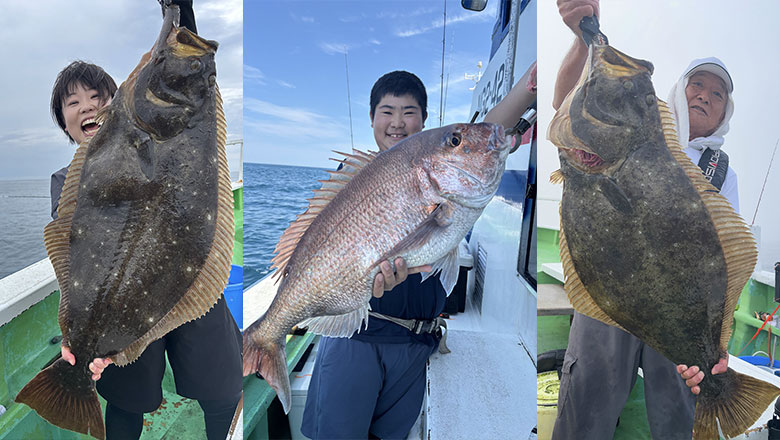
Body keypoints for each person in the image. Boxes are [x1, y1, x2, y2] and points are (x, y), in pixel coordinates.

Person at [48, 3, 242, 439]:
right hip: (124, 307)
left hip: (184, 279)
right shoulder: (66, 180)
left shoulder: (159, 128)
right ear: (63, 121)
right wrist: (80, 335)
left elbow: (184, 65)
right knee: (127, 400)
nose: (88, 107)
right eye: (74, 103)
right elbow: (72, 255)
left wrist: (180, 10)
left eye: (99, 98)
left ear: (118, 102)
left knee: (221, 385)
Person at [550, 1, 737, 438]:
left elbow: (724, 258)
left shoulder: (722, 171)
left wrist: (717, 344)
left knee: (677, 420)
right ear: (680, 89)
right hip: (606, 291)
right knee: (585, 409)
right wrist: (583, 39)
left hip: (677, 312)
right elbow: (563, 102)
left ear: (726, 110)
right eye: (698, 84)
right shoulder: (645, 122)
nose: (705, 95)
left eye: (718, 93)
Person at [300, 71, 446, 440]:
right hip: (357, 340)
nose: (398, 122)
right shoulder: (351, 179)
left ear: (424, 120)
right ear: (371, 119)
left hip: (416, 345)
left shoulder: (440, 175)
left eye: (409, 112)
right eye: (387, 111)